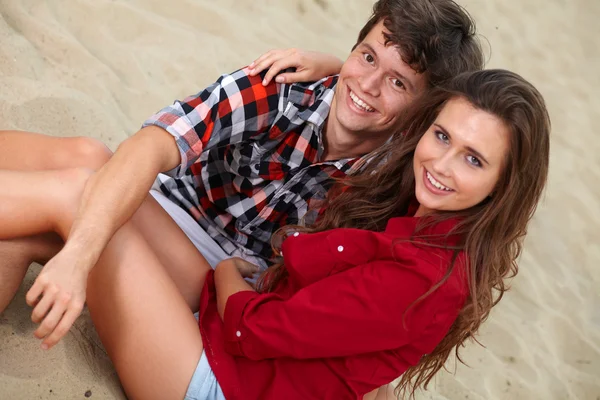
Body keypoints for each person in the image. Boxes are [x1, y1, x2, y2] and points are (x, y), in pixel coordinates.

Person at [0, 69, 551, 399]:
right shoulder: (422, 209)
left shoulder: (424, 276)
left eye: (474, 160)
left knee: (80, 197)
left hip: (219, 378)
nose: (442, 164)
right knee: (86, 176)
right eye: (441, 135)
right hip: (227, 332)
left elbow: (253, 333)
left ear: (504, 184)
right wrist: (337, 66)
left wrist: (221, 274)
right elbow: (393, 96)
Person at [0, 0, 485, 345]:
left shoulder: (405, 175)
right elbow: (153, 146)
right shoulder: (284, 88)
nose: (370, 84)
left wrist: (80, 255)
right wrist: (79, 257)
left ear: (424, 111)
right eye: (367, 57)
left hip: (221, 282)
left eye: (398, 82)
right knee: (88, 156)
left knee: (85, 181)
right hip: (171, 208)